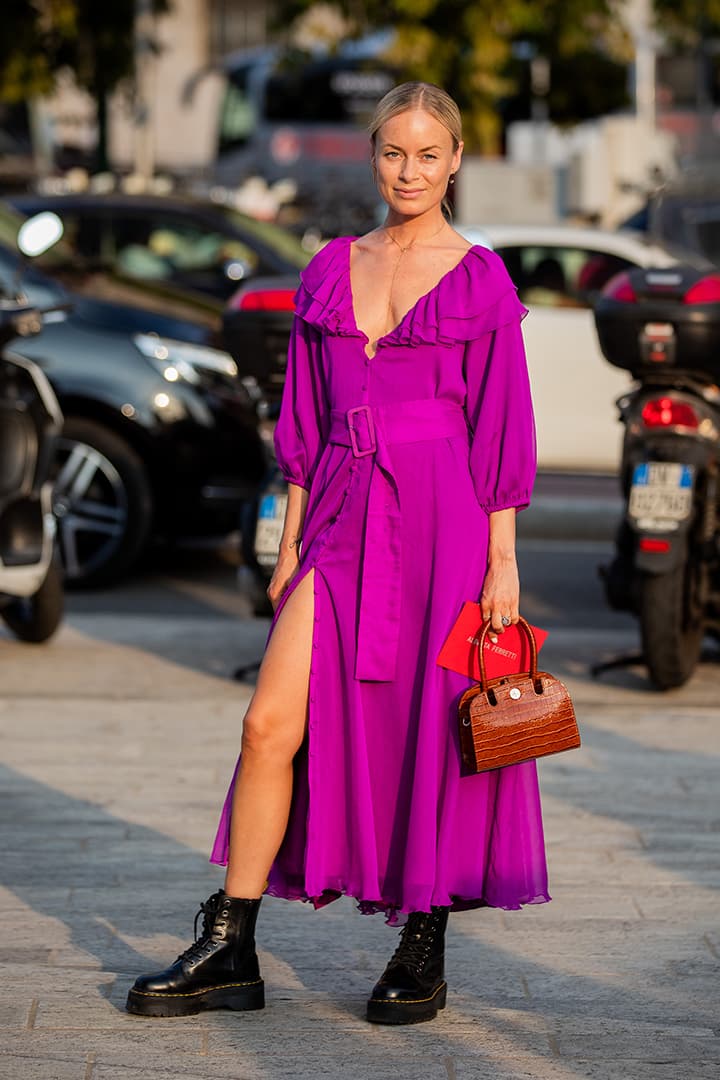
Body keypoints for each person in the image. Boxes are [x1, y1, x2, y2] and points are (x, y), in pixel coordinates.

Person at [126, 82, 549, 1026]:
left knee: (430, 737)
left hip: (443, 518)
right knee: (269, 724)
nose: (410, 171)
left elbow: (502, 429)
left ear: (455, 161)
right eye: (394, 153)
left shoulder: (478, 279)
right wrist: (288, 536)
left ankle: (424, 941)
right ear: (373, 156)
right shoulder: (328, 268)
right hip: (341, 519)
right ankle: (231, 940)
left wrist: (503, 561)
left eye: (428, 154)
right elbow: (305, 423)